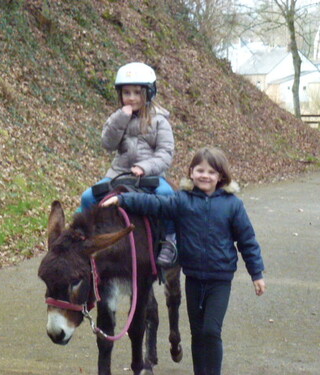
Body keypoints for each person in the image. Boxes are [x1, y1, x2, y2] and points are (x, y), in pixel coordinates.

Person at [102, 147, 266, 375]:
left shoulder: (232, 205)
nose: (205, 175)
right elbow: (153, 204)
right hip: (194, 278)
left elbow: (247, 241)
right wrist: (121, 199)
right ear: (191, 172)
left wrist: (256, 274)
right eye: (200, 170)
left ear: (221, 176)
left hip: (220, 281)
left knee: (211, 331)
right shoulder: (182, 201)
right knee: (197, 332)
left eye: (211, 171)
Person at [80, 62, 177, 267]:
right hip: (119, 172)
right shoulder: (117, 118)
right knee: (88, 197)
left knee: (168, 196)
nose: (131, 97)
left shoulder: (160, 121)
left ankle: (170, 239)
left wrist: (146, 167)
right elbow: (107, 144)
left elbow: (165, 153)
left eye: (137, 92)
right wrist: (120, 119)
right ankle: (80, 239)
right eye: (126, 92)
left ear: (149, 93)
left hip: (150, 176)